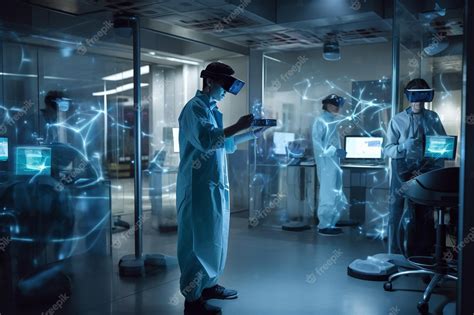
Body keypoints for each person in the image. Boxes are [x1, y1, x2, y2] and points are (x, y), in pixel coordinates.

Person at [176, 62, 267, 315]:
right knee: (197, 243)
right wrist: (239, 125)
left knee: (214, 239)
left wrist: (253, 133)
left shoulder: (211, 109)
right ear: (210, 82)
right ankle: (192, 301)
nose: (226, 92)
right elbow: (206, 141)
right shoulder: (194, 109)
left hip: (213, 186)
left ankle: (208, 286)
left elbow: (224, 143)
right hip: (197, 188)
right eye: (224, 86)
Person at [384, 78, 446, 255]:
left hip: (426, 170)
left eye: (421, 97)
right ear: (408, 98)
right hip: (402, 170)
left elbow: (442, 143)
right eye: (414, 97)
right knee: (396, 211)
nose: (417, 101)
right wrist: (403, 147)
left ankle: (421, 254)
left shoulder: (433, 118)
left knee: (423, 212)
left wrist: (437, 153)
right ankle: (395, 252)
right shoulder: (397, 120)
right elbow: (388, 149)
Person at [312, 94, 348, 236]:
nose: (337, 107)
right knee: (328, 194)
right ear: (326, 105)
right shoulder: (321, 120)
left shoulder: (332, 120)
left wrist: (339, 152)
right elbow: (317, 144)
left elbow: (331, 141)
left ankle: (331, 223)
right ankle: (324, 225)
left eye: (338, 105)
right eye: (334, 104)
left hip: (333, 163)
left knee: (336, 194)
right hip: (327, 164)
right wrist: (333, 151)